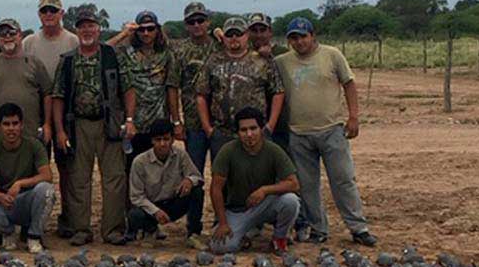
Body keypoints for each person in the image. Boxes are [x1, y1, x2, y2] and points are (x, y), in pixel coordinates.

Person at [276, 16, 375, 245]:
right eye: (293, 38)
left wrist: (353, 117)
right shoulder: (282, 61)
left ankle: (358, 228)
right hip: (298, 133)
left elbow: (349, 84)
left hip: (331, 129)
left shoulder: (332, 55)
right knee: (308, 185)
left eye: (302, 36)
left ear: (313, 36)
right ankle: (318, 229)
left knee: (343, 180)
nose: (299, 42)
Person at [48, 5, 129, 246]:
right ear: (77, 29)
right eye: (82, 26)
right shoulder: (68, 61)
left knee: (114, 178)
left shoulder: (112, 55)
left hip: (109, 124)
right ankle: (80, 229)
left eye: (91, 25)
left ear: (99, 28)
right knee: (78, 179)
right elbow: (58, 96)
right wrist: (60, 130)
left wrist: (130, 120)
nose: (87, 30)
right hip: (79, 125)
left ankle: (113, 229)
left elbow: (128, 88)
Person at [209, 107, 301, 253]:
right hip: (237, 210)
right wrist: (222, 223)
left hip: (264, 205)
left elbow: (294, 184)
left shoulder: (273, 150)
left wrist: (265, 190)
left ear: (262, 129)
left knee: (291, 201)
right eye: (243, 130)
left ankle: (279, 238)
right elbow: (215, 188)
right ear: (237, 133)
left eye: (253, 128)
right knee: (220, 246)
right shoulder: (227, 151)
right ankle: (247, 233)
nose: (249, 134)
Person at [197, 14, 282, 159]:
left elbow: (278, 92)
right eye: (230, 34)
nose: (234, 38)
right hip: (222, 134)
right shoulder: (213, 61)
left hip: (256, 133)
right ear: (224, 37)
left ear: (247, 35)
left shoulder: (263, 60)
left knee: (259, 176)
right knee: (224, 177)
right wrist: (208, 129)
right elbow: (201, 94)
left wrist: (270, 126)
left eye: (238, 33)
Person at [0, 102, 56, 253]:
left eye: (15, 123)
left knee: (46, 190)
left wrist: (20, 183)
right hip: (6, 203)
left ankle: (34, 236)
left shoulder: (34, 146)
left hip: (28, 201)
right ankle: (8, 233)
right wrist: (1, 197)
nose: (11, 128)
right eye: (6, 124)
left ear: (22, 125)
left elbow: (47, 176)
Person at [108, 10, 178, 166]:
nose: (146, 33)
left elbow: (171, 87)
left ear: (157, 30)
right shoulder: (125, 53)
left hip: (159, 123)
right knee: (133, 168)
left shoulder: (166, 53)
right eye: (141, 29)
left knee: (160, 169)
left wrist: (177, 122)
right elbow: (102, 51)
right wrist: (124, 34)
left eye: (150, 29)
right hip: (134, 125)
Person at [0, 17, 53, 149]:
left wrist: (47, 124)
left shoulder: (35, 63)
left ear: (20, 35)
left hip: (30, 134)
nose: (7, 37)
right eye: (3, 34)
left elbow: (47, 95)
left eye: (12, 33)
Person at [126, 119, 206, 249]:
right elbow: (136, 197)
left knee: (197, 191)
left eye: (166, 139)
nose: (162, 144)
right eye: (158, 140)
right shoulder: (139, 162)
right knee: (135, 214)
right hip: (152, 207)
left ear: (173, 139)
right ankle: (150, 231)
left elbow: (198, 177)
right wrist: (155, 211)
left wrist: (189, 180)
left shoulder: (180, 155)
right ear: (152, 141)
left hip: (174, 203)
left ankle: (194, 234)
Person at [170, 0, 220, 176]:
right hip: (193, 124)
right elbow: (173, 87)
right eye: (192, 22)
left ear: (208, 21)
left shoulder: (220, 45)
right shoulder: (179, 51)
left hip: (220, 123)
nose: (197, 25)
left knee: (223, 173)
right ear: (186, 25)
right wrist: (177, 122)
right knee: (193, 175)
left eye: (200, 20)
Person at [245, 12, 289, 155]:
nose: (258, 35)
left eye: (262, 30)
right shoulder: (243, 54)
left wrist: (269, 57)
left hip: (281, 120)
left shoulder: (282, 53)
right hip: (253, 120)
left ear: (270, 31)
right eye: (254, 30)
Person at [22, 0, 78, 97]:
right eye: (44, 11)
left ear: (61, 13)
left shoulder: (74, 41)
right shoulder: (28, 42)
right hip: (36, 101)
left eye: (53, 10)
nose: (48, 14)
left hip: (66, 100)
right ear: (39, 14)